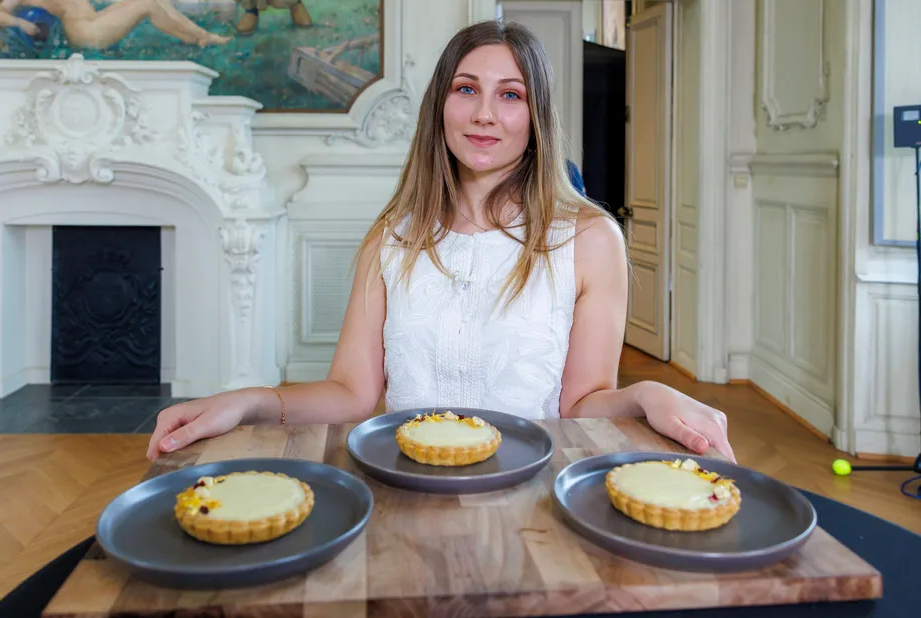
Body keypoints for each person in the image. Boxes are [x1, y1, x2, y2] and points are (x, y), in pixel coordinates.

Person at [146, 19, 734, 464]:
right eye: (466, 89)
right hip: (407, 480)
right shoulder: (392, 237)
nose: (484, 114)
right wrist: (247, 401)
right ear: (440, 105)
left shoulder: (589, 238)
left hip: (530, 489)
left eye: (511, 95)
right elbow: (351, 393)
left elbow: (582, 405)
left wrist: (648, 393)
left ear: (537, 117)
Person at [0, 0, 231, 50]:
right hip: (87, 32)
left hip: (94, 20)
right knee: (148, 4)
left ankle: (196, 36)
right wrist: (21, 23)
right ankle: (202, 36)